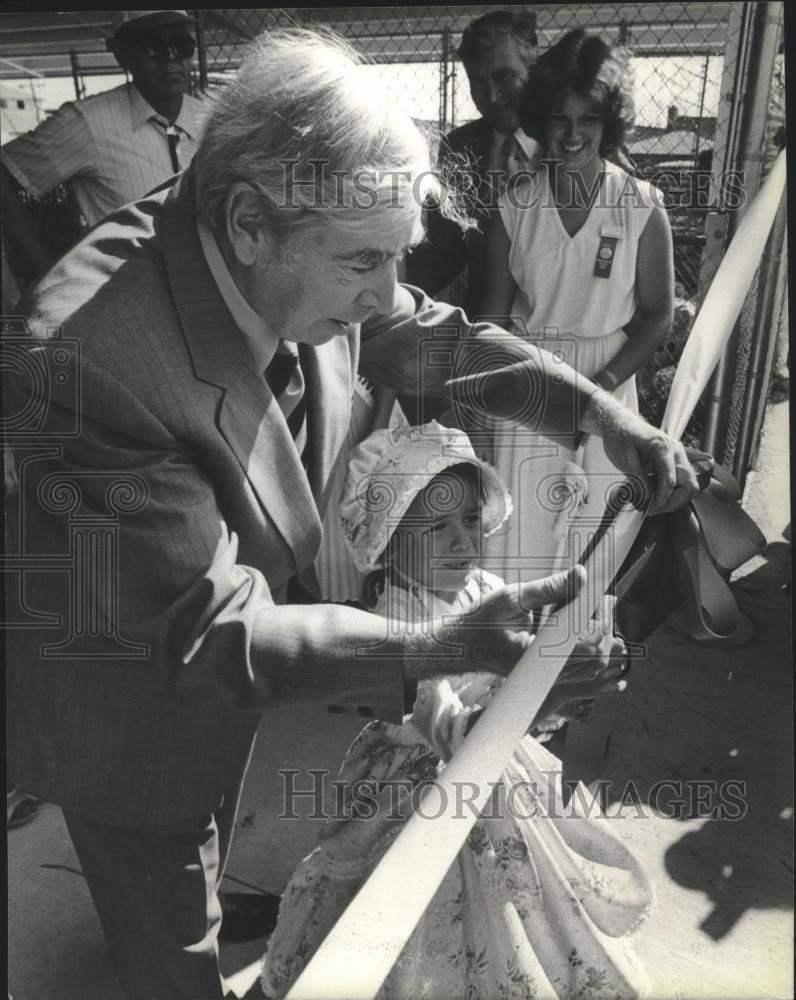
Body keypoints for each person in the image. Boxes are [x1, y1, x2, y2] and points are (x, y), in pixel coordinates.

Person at [5, 28, 696, 1000]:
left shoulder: (291, 244)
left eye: (394, 256)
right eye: (364, 262)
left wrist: (600, 417)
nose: (386, 297)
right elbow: (209, 636)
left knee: (201, 803)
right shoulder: (93, 361)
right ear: (249, 223)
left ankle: (192, 895)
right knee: (161, 902)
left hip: (220, 645)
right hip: (121, 686)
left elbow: (444, 344)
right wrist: (437, 643)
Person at [262, 421, 651, 999]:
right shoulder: (398, 622)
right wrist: (545, 693)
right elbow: (447, 729)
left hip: (496, 764)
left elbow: (518, 669)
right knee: (413, 898)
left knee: (514, 894)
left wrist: (564, 651)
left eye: (470, 520)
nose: (461, 542)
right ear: (389, 540)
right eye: (437, 527)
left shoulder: (483, 588)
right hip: (424, 782)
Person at [479, 29, 675, 587]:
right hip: (533, 383)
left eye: (588, 119)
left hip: (611, 382)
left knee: (594, 538)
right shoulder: (514, 208)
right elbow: (489, 321)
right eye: (560, 119)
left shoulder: (640, 205)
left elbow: (657, 314)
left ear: (608, 125)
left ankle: (579, 663)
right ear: (542, 119)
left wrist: (603, 388)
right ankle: (509, 667)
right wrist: (502, 397)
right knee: (522, 541)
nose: (572, 134)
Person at [1, 9, 203, 285]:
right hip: (129, 297)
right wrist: (42, 266)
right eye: (152, 47)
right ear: (123, 55)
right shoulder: (87, 123)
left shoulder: (213, 118)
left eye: (181, 45)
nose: (171, 58)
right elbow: (5, 171)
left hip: (202, 293)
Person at [403, 10, 540, 313]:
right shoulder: (459, 147)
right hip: (484, 327)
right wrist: (390, 293)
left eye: (504, 76)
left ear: (534, 69)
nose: (491, 96)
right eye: (477, 81)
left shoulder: (572, 143)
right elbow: (445, 252)